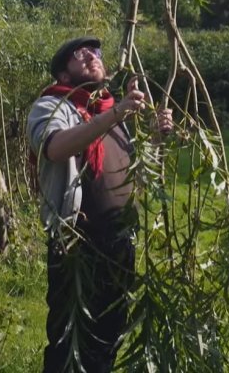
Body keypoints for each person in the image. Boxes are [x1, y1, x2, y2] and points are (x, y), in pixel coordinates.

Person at [27, 36, 172, 373]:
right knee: (69, 342)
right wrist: (116, 114)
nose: (92, 55)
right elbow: (55, 148)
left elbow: (130, 174)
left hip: (119, 245)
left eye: (95, 52)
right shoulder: (52, 106)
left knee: (109, 335)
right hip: (78, 244)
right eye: (81, 54)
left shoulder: (110, 112)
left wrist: (154, 137)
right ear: (63, 75)